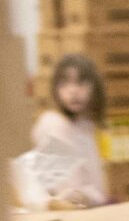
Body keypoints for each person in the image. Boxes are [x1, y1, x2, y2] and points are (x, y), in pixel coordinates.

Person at [29, 53, 110, 208]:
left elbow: (98, 191)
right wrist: (88, 196)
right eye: (64, 84)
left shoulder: (86, 125)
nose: (73, 91)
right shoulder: (52, 124)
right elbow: (68, 195)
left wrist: (90, 196)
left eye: (81, 83)